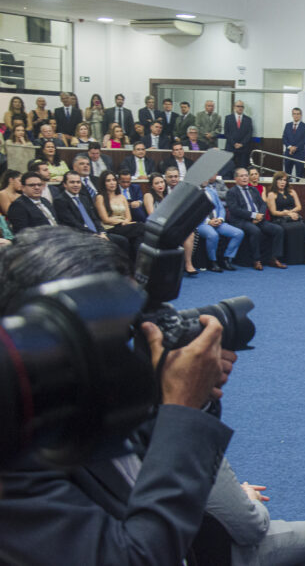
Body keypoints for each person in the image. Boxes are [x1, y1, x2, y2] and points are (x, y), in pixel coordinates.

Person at [0, 227, 236, 566]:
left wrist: (189, 399)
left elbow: (142, 463)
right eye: (110, 335)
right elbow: (138, 558)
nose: (124, 354)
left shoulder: (75, 391)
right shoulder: (14, 451)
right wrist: (181, 409)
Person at [53, 171, 131, 257]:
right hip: (80, 235)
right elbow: (73, 223)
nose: (76, 185)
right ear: (65, 184)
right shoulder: (60, 200)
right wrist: (95, 235)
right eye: (72, 182)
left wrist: (102, 232)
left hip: (97, 233)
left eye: (78, 182)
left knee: (123, 241)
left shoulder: (84, 198)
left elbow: (94, 219)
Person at [226, 166, 287, 270]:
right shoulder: (232, 192)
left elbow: (263, 204)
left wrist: (260, 215)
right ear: (236, 179)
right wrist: (253, 215)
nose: (245, 178)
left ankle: (274, 258)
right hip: (242, 220)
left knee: (278, 229)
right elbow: (235, 210)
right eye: (242, 176)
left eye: (246, 175)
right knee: (255, 231)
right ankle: (257, 260)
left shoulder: (253, 189)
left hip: (258, 218)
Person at [196, 178, 245, 272]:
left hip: (217, 221)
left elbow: (221, 208)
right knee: (213, 235)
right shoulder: (192, 193)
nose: (205, 179)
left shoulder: (212, 191)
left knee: (238, 233)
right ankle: (213, 261)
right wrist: (208, 221)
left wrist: (220, 219)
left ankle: (226, 258)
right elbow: (193, 212)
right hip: (202, 223)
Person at [95, 169, 145, 257]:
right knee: (142, 226)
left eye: (114, 180)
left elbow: (128, 217)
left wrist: (126, 222)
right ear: (103, 183)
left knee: (138, 237)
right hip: (111, 227)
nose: (112, 183)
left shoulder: (122, 197)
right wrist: (122, 222)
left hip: (124, 226)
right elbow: (105, 219)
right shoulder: (100, 197)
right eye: (108, 180)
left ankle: (135, 263)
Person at [266, 170, 305, 265]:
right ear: (275, 181)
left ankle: (299, 258)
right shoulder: (272, 194)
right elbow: (273, 212)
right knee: (289, 228)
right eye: (280, 180)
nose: (282, 182)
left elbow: (299, 206)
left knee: (301, 225)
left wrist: (291, 213)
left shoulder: (292, 191)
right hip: (279, 218)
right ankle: (287, 258)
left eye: (284, 180)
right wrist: (286, 213)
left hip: (291, 216)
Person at [224, 100, 254, 169]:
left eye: (242, 106)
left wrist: (242, 144)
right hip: (231, 148)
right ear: (234, 107)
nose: (240, 108)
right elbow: (227, 133)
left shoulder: (248, 119)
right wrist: (234, 144)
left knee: (242, 169)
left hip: (243, 149)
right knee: (229, 169)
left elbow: (249, 134)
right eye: (238, 106)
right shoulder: (228, 118)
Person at [282, 107, 305, 179]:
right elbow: (284, 138)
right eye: (294, 114)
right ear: (292, 115)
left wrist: (294, 148)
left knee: (299, 176)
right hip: (288, 153)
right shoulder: (287, 125)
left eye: (298, 114)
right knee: (287, 175)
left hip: (299, 154)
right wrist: (290, 147)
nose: (296, 115)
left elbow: (304, 140)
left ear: (301, 115)